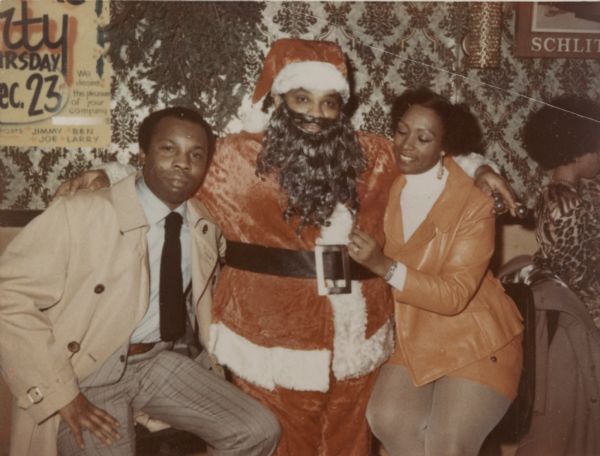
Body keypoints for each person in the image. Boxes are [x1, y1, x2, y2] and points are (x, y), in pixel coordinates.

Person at [55, 39, 520, 455]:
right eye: (302, 99)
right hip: (269, 342)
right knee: (280, 443)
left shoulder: (372, 154)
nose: (316, 115)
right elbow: (174, 174)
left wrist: (476, 165)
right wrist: (106, 177)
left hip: (360, 343)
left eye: (329, 102)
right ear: (278, 100)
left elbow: (425, 156)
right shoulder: (235, 158)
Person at [0, 107, 280, 456]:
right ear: (143, 155)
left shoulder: (203, 226)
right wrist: (63, 396)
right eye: (168, 149)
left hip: (157, 362)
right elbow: (8, 297)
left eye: (196, 155)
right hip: (87, 372)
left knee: (257, 430)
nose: (183, 163)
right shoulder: (82, 213)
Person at [348, 87, 524, 456]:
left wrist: (383, 265)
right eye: (401, 130)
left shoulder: (474, 202)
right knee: (387, 418)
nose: (406, 146)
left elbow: (454, 296)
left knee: (447, 445)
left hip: (477, 339)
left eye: (424, 138)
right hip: (418, 334)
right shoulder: (387, 183)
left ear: (446, 147)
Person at [503, 94, 600, 455]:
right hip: (574, 311)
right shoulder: (565, 199)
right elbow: (578, 271)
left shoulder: (576, 191)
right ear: (580, 150)